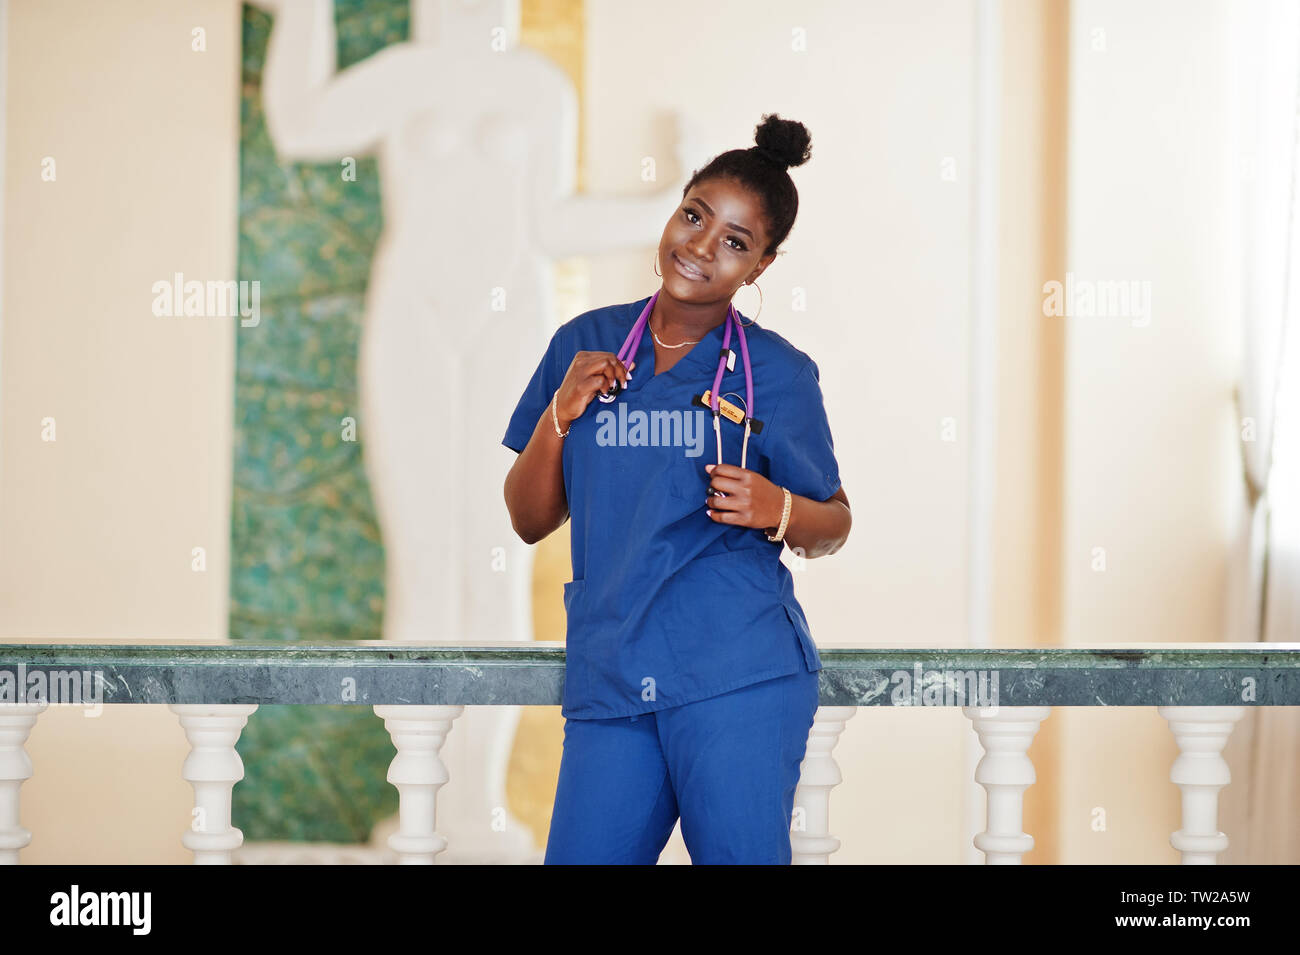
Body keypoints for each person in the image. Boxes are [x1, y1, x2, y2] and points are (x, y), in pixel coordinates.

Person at [501, 113, 852, 864]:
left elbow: (834, 523)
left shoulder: (780, 373)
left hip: (738, 676)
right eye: (694, 215)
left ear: (759, 267)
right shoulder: (583, 345)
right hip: (612, 677)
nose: (700, 246)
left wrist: (779, 506)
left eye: (735, 241)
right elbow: (529, 519)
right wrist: (559, 417)